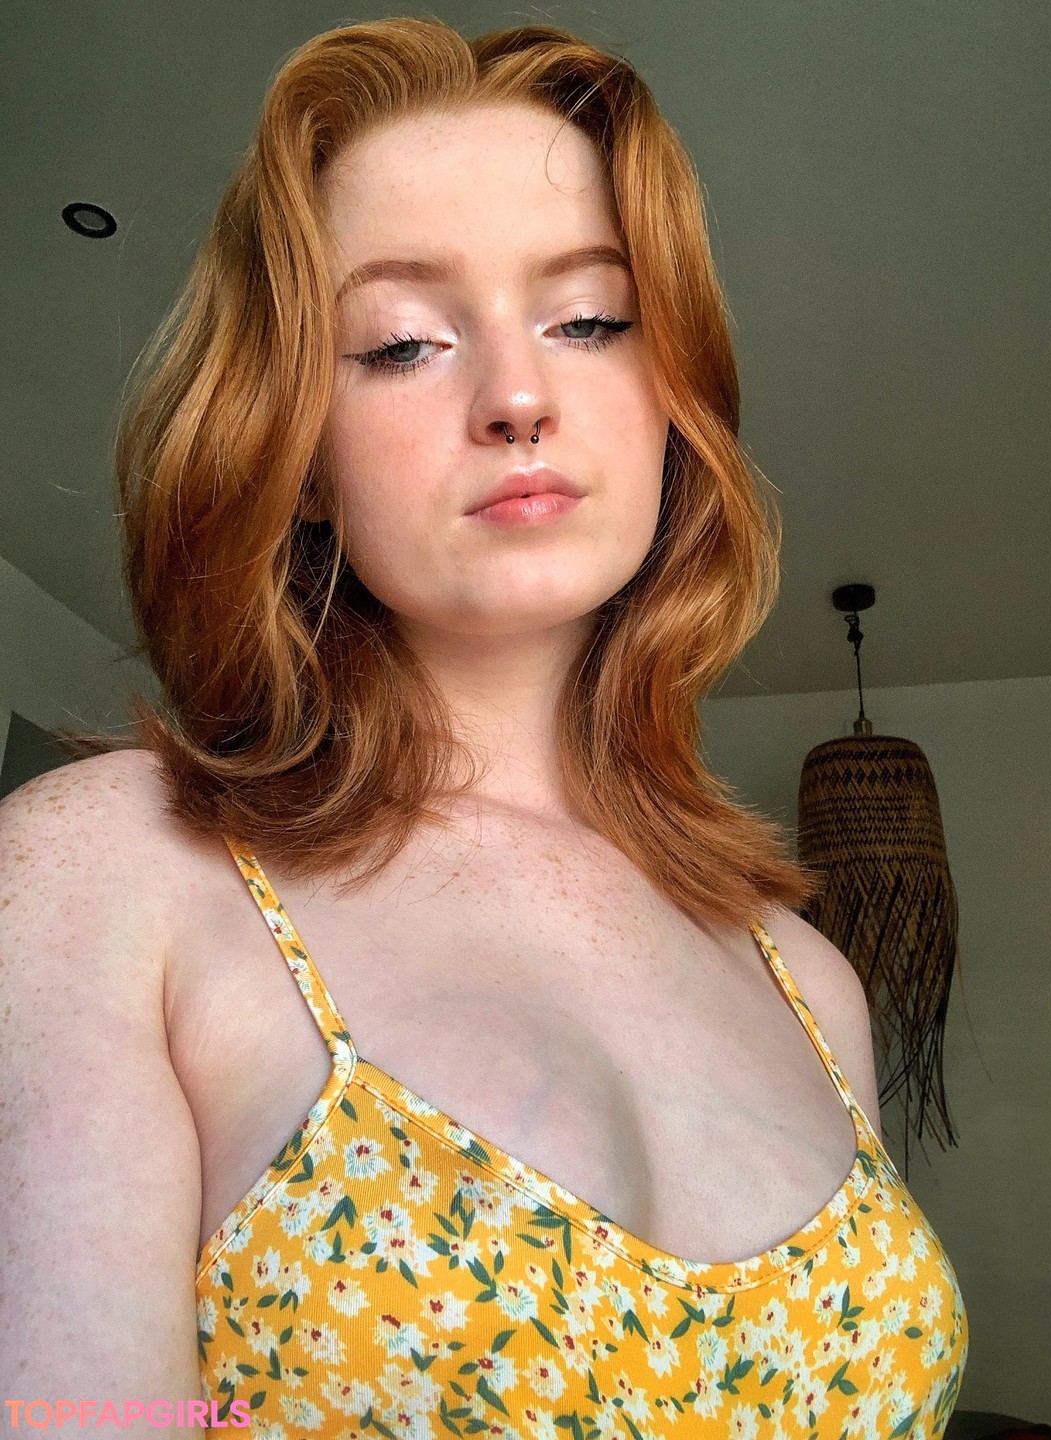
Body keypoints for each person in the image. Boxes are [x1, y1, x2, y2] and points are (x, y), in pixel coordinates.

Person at [0, 17, 968, 1437]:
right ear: (299, 453)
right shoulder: (95, 874)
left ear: (672, 398)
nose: (518, 396)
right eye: (402, 343)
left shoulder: (810, 981)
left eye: (591, 321)